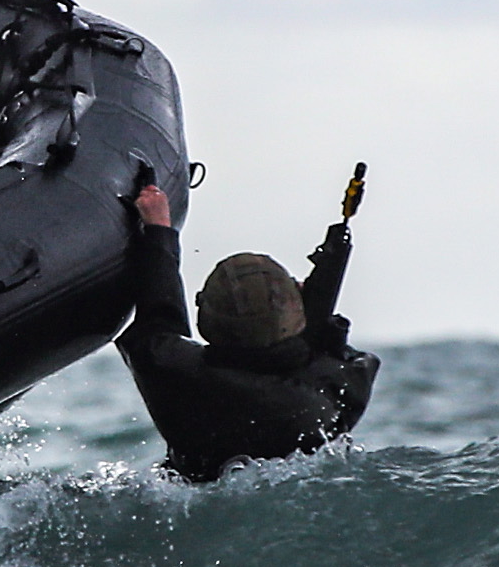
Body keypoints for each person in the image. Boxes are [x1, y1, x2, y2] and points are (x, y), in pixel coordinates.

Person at [116, 177, 380, 481]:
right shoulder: (323, 400)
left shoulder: (172, 371)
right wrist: (318, 329)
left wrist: (159, 229)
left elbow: (159, 316)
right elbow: (350, 365)